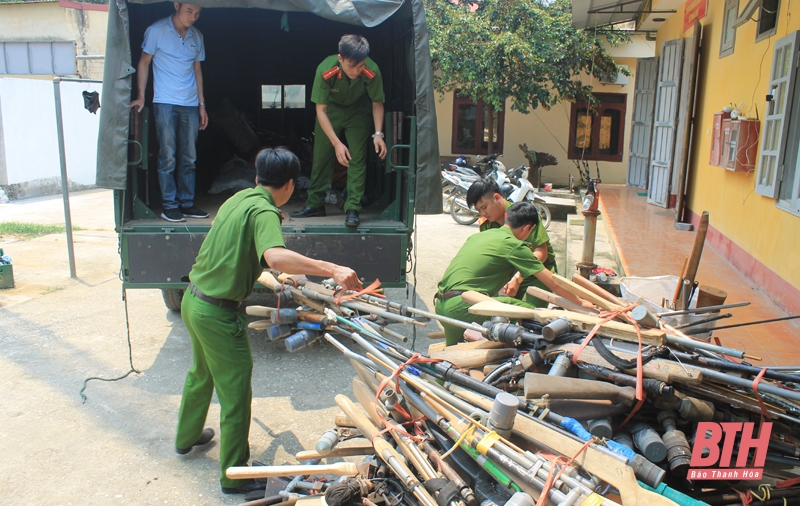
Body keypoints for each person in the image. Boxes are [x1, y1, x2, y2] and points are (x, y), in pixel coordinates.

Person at [176, 147, 362, 495]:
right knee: (235, 394)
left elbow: (233, 241)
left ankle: (185, 439)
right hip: (217, 313)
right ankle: (233, 476)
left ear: (257, 176)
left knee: (201, 374)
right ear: (291, 185)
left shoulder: (238, 198)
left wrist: (271, 273)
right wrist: (332, 269)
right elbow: (275, 254)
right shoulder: (266, 211)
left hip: (193, 299)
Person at [434, 202, 592, 346]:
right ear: (527, 228)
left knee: (451, 358)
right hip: (464, 306)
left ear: (506, 218)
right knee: (536, 315)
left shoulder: (479, 236)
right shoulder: (513, 245)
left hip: (442, 304)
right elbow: (553, 282)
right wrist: (582, 304)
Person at [290, 34, 387, 228]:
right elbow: (321, 110)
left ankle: (353, 208)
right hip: (330, 111)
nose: (357, 71)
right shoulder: (326, 69)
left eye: (361, 66)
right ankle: (315, 204)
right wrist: (336, 143)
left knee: (357, 158)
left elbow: (377, 103)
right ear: (340, 58)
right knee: (321, 156)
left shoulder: (371, 70)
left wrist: (378, 134)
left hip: (359, 112)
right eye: (352, 66)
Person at [131, 2, 209, 223]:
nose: (193, 17)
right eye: (189, 11)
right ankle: (169, 206)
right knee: (168, 156)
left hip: (191, 104)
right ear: (176, 5)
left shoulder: (197, 36)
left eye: (197, 13)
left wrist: (202, 104)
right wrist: (141, 96)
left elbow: (197, 70)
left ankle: (186, 203)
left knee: (190, 157)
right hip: (165, 102)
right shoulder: (157, 31)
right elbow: (144, 63)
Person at [467, 177, 557, 307]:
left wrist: (518, 277)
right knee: (502, 315)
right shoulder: (486, 224)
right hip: (508, 274)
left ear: (497, 197)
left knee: (534, 317)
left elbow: (541, 252)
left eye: (484, 207)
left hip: (537, 273)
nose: (483, 213)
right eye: (479, 210)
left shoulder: (523, 214)